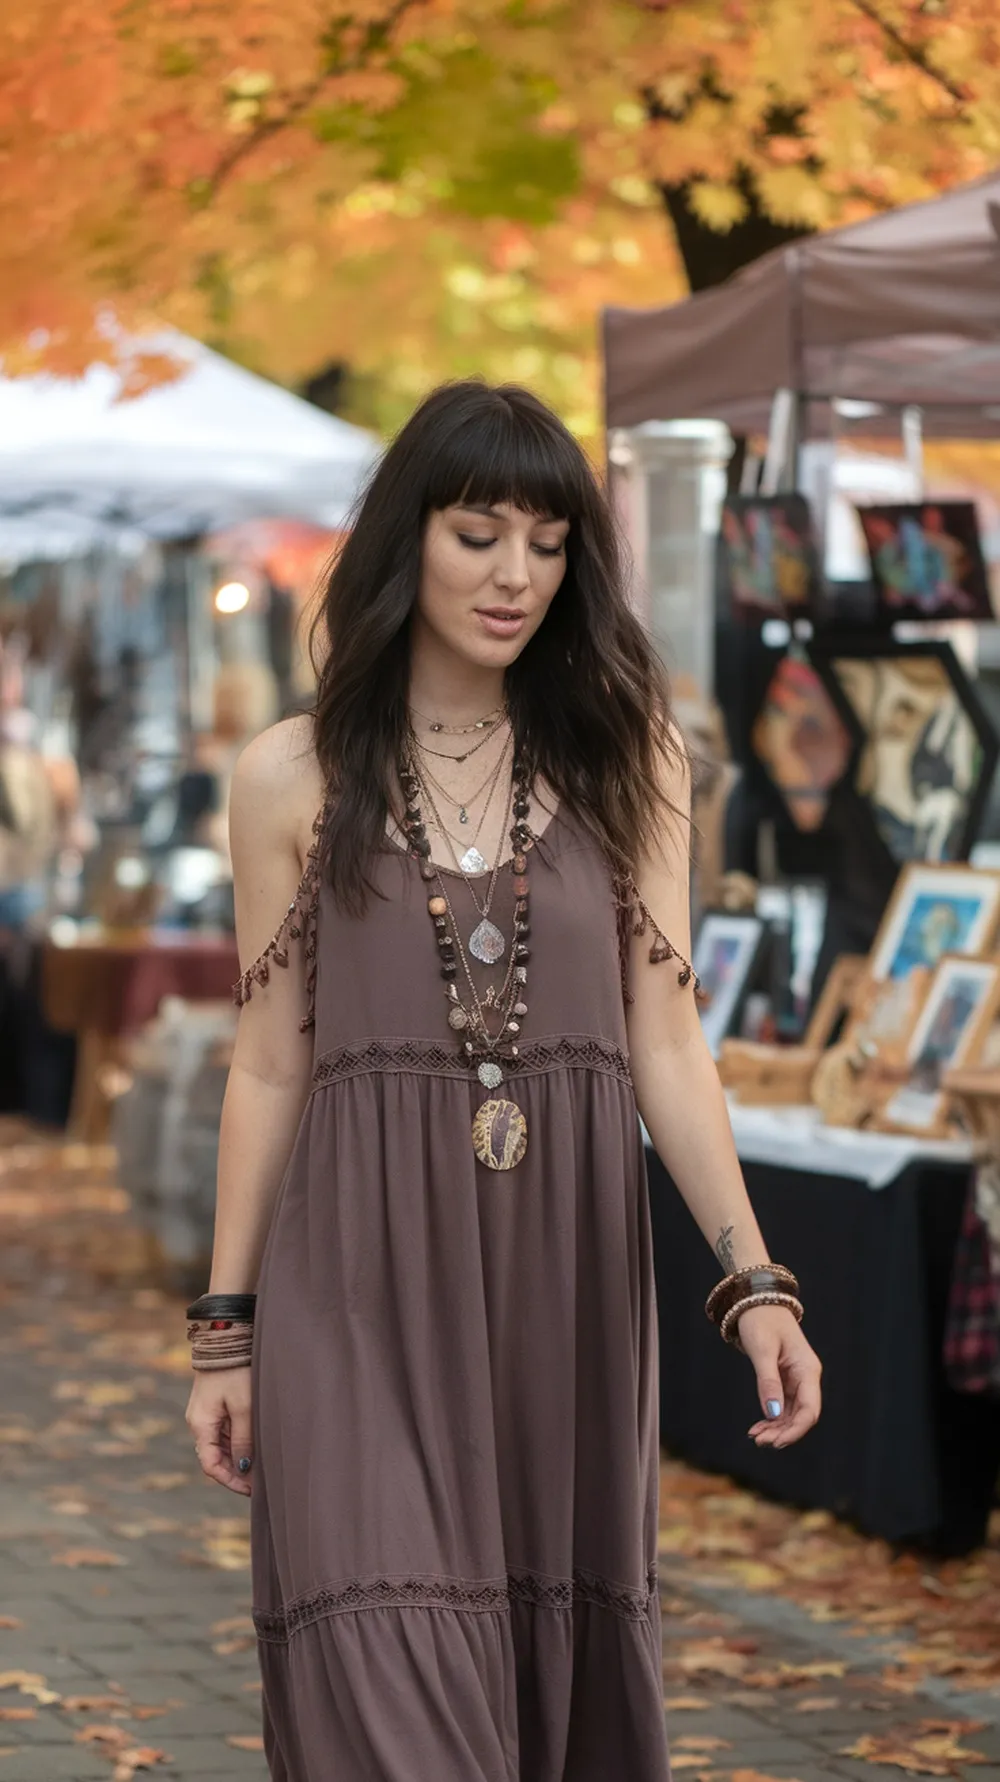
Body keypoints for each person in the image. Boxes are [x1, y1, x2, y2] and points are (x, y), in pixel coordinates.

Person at [185, 383, 822, 1782]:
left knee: (548, 1695)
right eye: (479, 534)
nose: (516, 575)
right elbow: (268, 1061)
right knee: (385, 1679)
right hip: (355, 1285)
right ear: (408, 541)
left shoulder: (626, 759)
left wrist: (756, 1278)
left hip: (562, 1286)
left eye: (547, 542)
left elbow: (666, 1044)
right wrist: (225, 1332)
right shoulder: (288, 776)